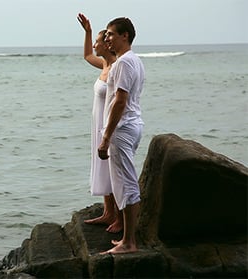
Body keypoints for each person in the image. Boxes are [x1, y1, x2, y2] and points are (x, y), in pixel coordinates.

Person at [98, 17, 145, 254]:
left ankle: (129, 242)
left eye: (110, 34)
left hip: (123, 128)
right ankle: (128, 239)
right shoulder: (134, 61)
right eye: (105, 35)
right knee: (125, 181)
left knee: (126, 183)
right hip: (131, 125)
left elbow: (120, 100)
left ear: (124, 35)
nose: (107, 38)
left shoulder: (124, 63)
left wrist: (106, 137)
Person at [77, 13, 122, 233]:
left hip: (108, 125)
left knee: (113, 168)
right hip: (97, 123)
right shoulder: (104, 64)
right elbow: (86, 55)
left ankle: (119, 217)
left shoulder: (116, 69)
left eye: (97, 41)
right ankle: (108, 213)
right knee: (102, 166)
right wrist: (86, 32)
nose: (94, 44)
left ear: (106, 45)